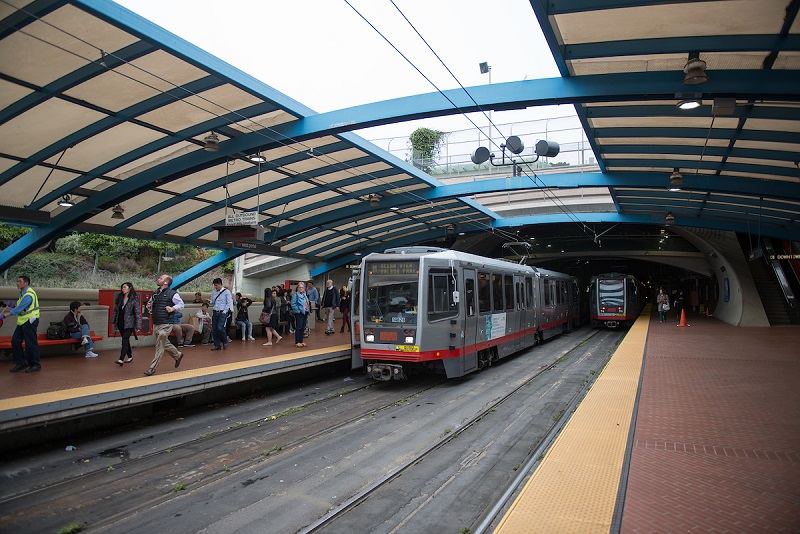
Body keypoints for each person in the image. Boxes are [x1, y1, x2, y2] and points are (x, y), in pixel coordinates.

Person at [144, 274, 184, 376]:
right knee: (164, 343)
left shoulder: (173, 294)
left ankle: (152, 368)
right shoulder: (156, 293)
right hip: (157, 322)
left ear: (166, 282)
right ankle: (178, 355)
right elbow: (152, 305)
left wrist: (172, 308)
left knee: (159, 346)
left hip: (166, 323)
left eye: (161, 278)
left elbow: (181, 304)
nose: (158, 279)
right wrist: (149, 305)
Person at [3, 275, 41, 373]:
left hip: (30, 320)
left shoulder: (29, 294)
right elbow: (23, 308)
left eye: (19, 281)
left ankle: (35, 364)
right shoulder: (22, 293)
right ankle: (21, 363)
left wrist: (4, 316)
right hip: (23, 320)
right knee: (15, 341)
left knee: (30, 343)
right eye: (17, 281)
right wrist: (13, 306)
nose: (17, 283)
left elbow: (19, 309)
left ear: (26, 283)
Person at [112, 282, 142, 366]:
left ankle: (121, 359)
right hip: (120, 322)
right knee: (125, 340)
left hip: (129, 323)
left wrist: (138, 325)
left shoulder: (134, 299)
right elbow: (115, 310)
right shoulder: (119, 298)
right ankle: (130, 356)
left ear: (130, 288)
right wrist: (114, 320)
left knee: (124, 340)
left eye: (125, 287)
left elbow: (137, 313)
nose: (123, 289)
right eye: (122, 287)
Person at [210, 278, 233, 351]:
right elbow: (212, 301)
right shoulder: (214, 292)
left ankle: (225, 340)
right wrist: (209, 301)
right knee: (214, 329)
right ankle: (217, 345)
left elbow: (229, 302)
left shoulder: (226, 292)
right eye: (214, 285)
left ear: (220, 284)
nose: (215, 287)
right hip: (215, 311)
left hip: (222, 312)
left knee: (220, 327)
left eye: (216, 285)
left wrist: (225, 311)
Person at [291, 282, 310, 348]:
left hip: (305, 312)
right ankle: (297, 341)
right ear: (298, 288)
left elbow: (307, 303)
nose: (301, 288)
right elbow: (293, 305)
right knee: (298, 327)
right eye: (300, 287)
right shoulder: (295, 295)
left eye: (302, 287)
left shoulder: (304, 295)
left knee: (303, 327)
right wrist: (298, 311)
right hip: (299, 313)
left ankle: (301, 341)